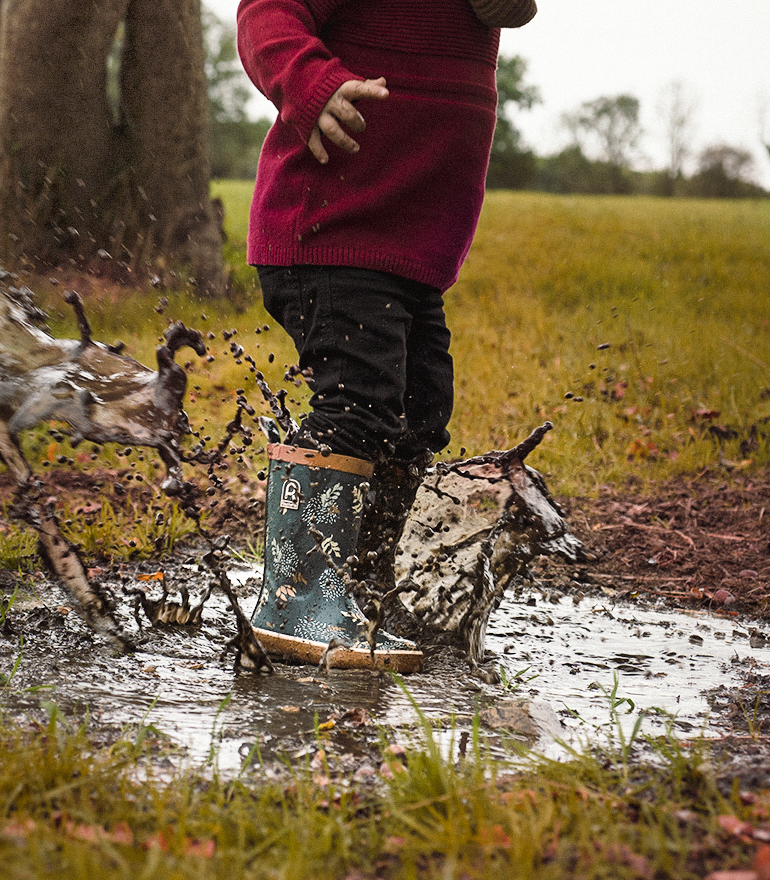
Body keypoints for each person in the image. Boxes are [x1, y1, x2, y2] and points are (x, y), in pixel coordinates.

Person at [237, 0, 536, 672]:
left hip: (403, 254)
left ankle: (364, 587)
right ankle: (299, 596)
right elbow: (265, 13)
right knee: (360, 402)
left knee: (420, 412)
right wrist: (311, 86)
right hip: (331, 230)